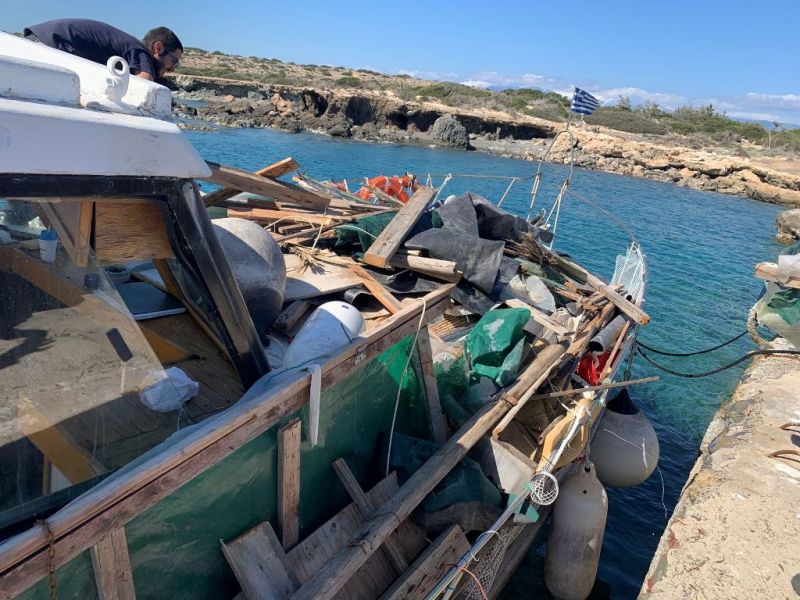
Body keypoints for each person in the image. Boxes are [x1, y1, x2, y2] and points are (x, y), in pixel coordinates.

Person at [23, 19, 183, 83]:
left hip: (39, 38)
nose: (172, 69)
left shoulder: (128, 45)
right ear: (158, 48)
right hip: (50, 44)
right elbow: (145, 82)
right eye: (174, 61)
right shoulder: (140, 51)